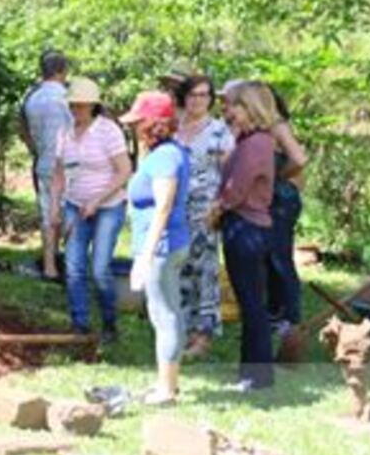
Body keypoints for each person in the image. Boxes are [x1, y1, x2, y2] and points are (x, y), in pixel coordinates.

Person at [121, 91, 191, 406]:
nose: (134, 127)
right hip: (165, 245)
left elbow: (163, 207)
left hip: (162, 248)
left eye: (138, 122)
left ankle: (167, 390)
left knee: (164, 315)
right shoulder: (163, 152)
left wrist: (145, 256)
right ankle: (167, 383)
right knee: (167, 313)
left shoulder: (165, 157)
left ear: (153, 124)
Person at [48, 77, 131, 341]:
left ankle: (109, 322)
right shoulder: (65, 133)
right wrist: (54, 207)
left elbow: (124, 170)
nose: (76, 110)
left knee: (99, 269)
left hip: (109, 205)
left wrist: (97, 200)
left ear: (93, 106)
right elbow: (59, 175)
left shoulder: (108, 131)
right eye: (73, 105)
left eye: (81, 105)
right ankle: (80, 323)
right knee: (73, 267)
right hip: (75, 205)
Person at [208, 81, 278, 391]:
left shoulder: (257, 143)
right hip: (245, 226)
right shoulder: (252, 141)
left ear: (250, 108)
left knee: (251, 305)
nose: (228, 111)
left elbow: (237, 188)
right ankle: (251, 373)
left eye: (234, 106)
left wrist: (216, 209)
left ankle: (256, 376)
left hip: (245, 228)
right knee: (251, 303)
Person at [175, 75, 235, 358]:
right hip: (174, 211)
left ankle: (203, 336)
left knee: (205, 273)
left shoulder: (220, 132)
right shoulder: (175, 127)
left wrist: (219, 208)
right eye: (192, 94)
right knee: (179, 271)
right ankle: (182, 331)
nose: (197, 100)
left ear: (211, 99)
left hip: (206, 211)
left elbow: (230, 176)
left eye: (203, 95)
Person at [22, 50, 72, 280]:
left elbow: (22, 128)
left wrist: (36, 149)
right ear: (62, 71)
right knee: (70, 213)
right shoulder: (68, 97)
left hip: (43, 160)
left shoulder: (31, 97)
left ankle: (49, 265)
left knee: (47, 215)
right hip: (70, 164)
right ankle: (72, 263)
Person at [265, 85, 308, 337]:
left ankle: (291, 318)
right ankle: (274, 312)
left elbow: (300, 160)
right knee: (269, 257)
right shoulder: (263, 128)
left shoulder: (278, 126)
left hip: (283, 199)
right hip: (271, 199)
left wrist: (280, 177)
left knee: (280, 258)